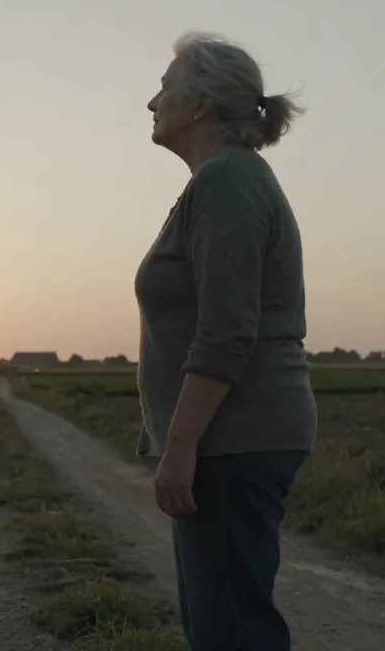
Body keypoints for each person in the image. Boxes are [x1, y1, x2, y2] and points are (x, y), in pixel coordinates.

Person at [134, 31, 318, 650]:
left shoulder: (229, 182)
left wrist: (180, 447)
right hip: (231, 439)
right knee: (220, 624)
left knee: (230, 632)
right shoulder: (219, 181)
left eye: (164, 88)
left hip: (236, 439)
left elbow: (226, 332)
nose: (152, 102)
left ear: (201, 105)